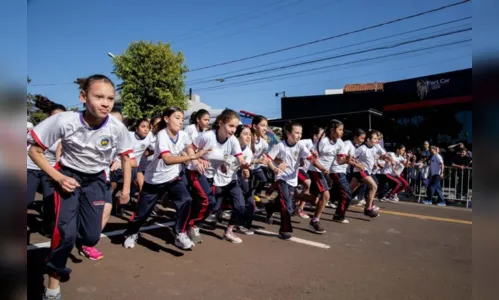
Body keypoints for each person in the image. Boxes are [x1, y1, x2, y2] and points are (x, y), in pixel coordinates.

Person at [28, 74, 134, 300]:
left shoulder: (116, 127)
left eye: (110, 98)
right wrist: (57, 177)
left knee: (91, 236)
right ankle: (52, 287)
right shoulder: (64, 121)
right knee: (65, 233)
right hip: (68, 176)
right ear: (83, 97)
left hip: (96, 179)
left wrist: (125, 190)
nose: (106, 103)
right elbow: (34, 151)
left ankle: (70, 242)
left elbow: (126, 159)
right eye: (99, 97)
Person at [123, 107, 209, 250]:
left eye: (182, 119)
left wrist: (196, 162)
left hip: (173, 178)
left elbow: (189, 148)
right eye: (177, 117)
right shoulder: (162, 136)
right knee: (142, 213)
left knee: (186, 200)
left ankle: (180, 234)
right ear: (166, 119)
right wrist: (193, 156)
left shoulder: (182, 135)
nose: (181, 121)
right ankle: (131, 233)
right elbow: (168, 159)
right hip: (154, 180)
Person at [186, 109, 249, 243]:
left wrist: (244, 166)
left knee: (202, 203)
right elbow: (189, 147)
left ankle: (188, 226)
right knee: (209, 202)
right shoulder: (208, 136)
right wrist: (196, 160)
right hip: (196, 172)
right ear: (220, 123)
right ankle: (191, 226)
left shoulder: (232, 141)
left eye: (236, 127)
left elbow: (240, 158)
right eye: (231, 126)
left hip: (210, 176)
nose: (233, 130)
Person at [264, 121, 328, 240]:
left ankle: (270, 207)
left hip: (292, 180)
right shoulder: (280, 146)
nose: (299, 135)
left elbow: (310, 159)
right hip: (281, 178)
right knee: (287, 206)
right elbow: (267, 159)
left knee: (286, 204)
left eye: (301, 133)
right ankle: (284, 230)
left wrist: (322, 168)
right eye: (296, 132)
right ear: (288, 133)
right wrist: (275, 169)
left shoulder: (300, 146)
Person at [27, 103, 66, 235]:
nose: (58, 119)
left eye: (61, 116)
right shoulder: (40, 131)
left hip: (48, 171)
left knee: (50, 201)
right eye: (54, 116)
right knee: (27, 200)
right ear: (48, 118)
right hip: (29, 168)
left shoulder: (67, 135)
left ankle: (47, 226)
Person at [212, 124, 253, 243]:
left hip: (232, 180)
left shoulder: (248, 152)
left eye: (250, 134)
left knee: (240, 205)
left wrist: (246, 172)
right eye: (245, 134)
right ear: (237, 136)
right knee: (214, 206)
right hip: (217, 179)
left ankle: (229, 231)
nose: (248, 137)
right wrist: (221, 164)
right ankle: (211, 216)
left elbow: (244, 168)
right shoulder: (228, 144)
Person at [349, 130, 387, 218]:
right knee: (374, 186)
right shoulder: (362, 148)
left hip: (366, 172)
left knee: (348, 191)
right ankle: (368, 209)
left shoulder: (374, 148)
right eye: (375, 138)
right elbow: (350, 157)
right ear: (368, 139)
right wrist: (357, 164)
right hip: (360, 171)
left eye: (378, 139)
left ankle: (337, 202)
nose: (377, 140)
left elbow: (373, 158)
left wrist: (377, 162)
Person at [294, 126, 324, 219]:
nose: (323, 138)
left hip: (307, 170)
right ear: (315, 136)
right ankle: (299, 209)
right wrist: (301, 158)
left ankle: (294, 206)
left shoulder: (319, 146)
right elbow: (296, 144)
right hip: (298, 168)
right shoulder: (307, 142)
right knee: (308, 184)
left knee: (300, 190)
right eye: (321, 135)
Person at [249, 115, 271, 201]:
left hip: (256, 167)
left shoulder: (264, 143)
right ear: (254, 126)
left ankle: (255, 194)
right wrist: (258, 160)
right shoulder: (247, 139)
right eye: (263, 125)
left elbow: (266, 157)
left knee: (264, 180)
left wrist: (275, 168)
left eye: (266, 126)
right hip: (246, 169)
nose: (265, 128)